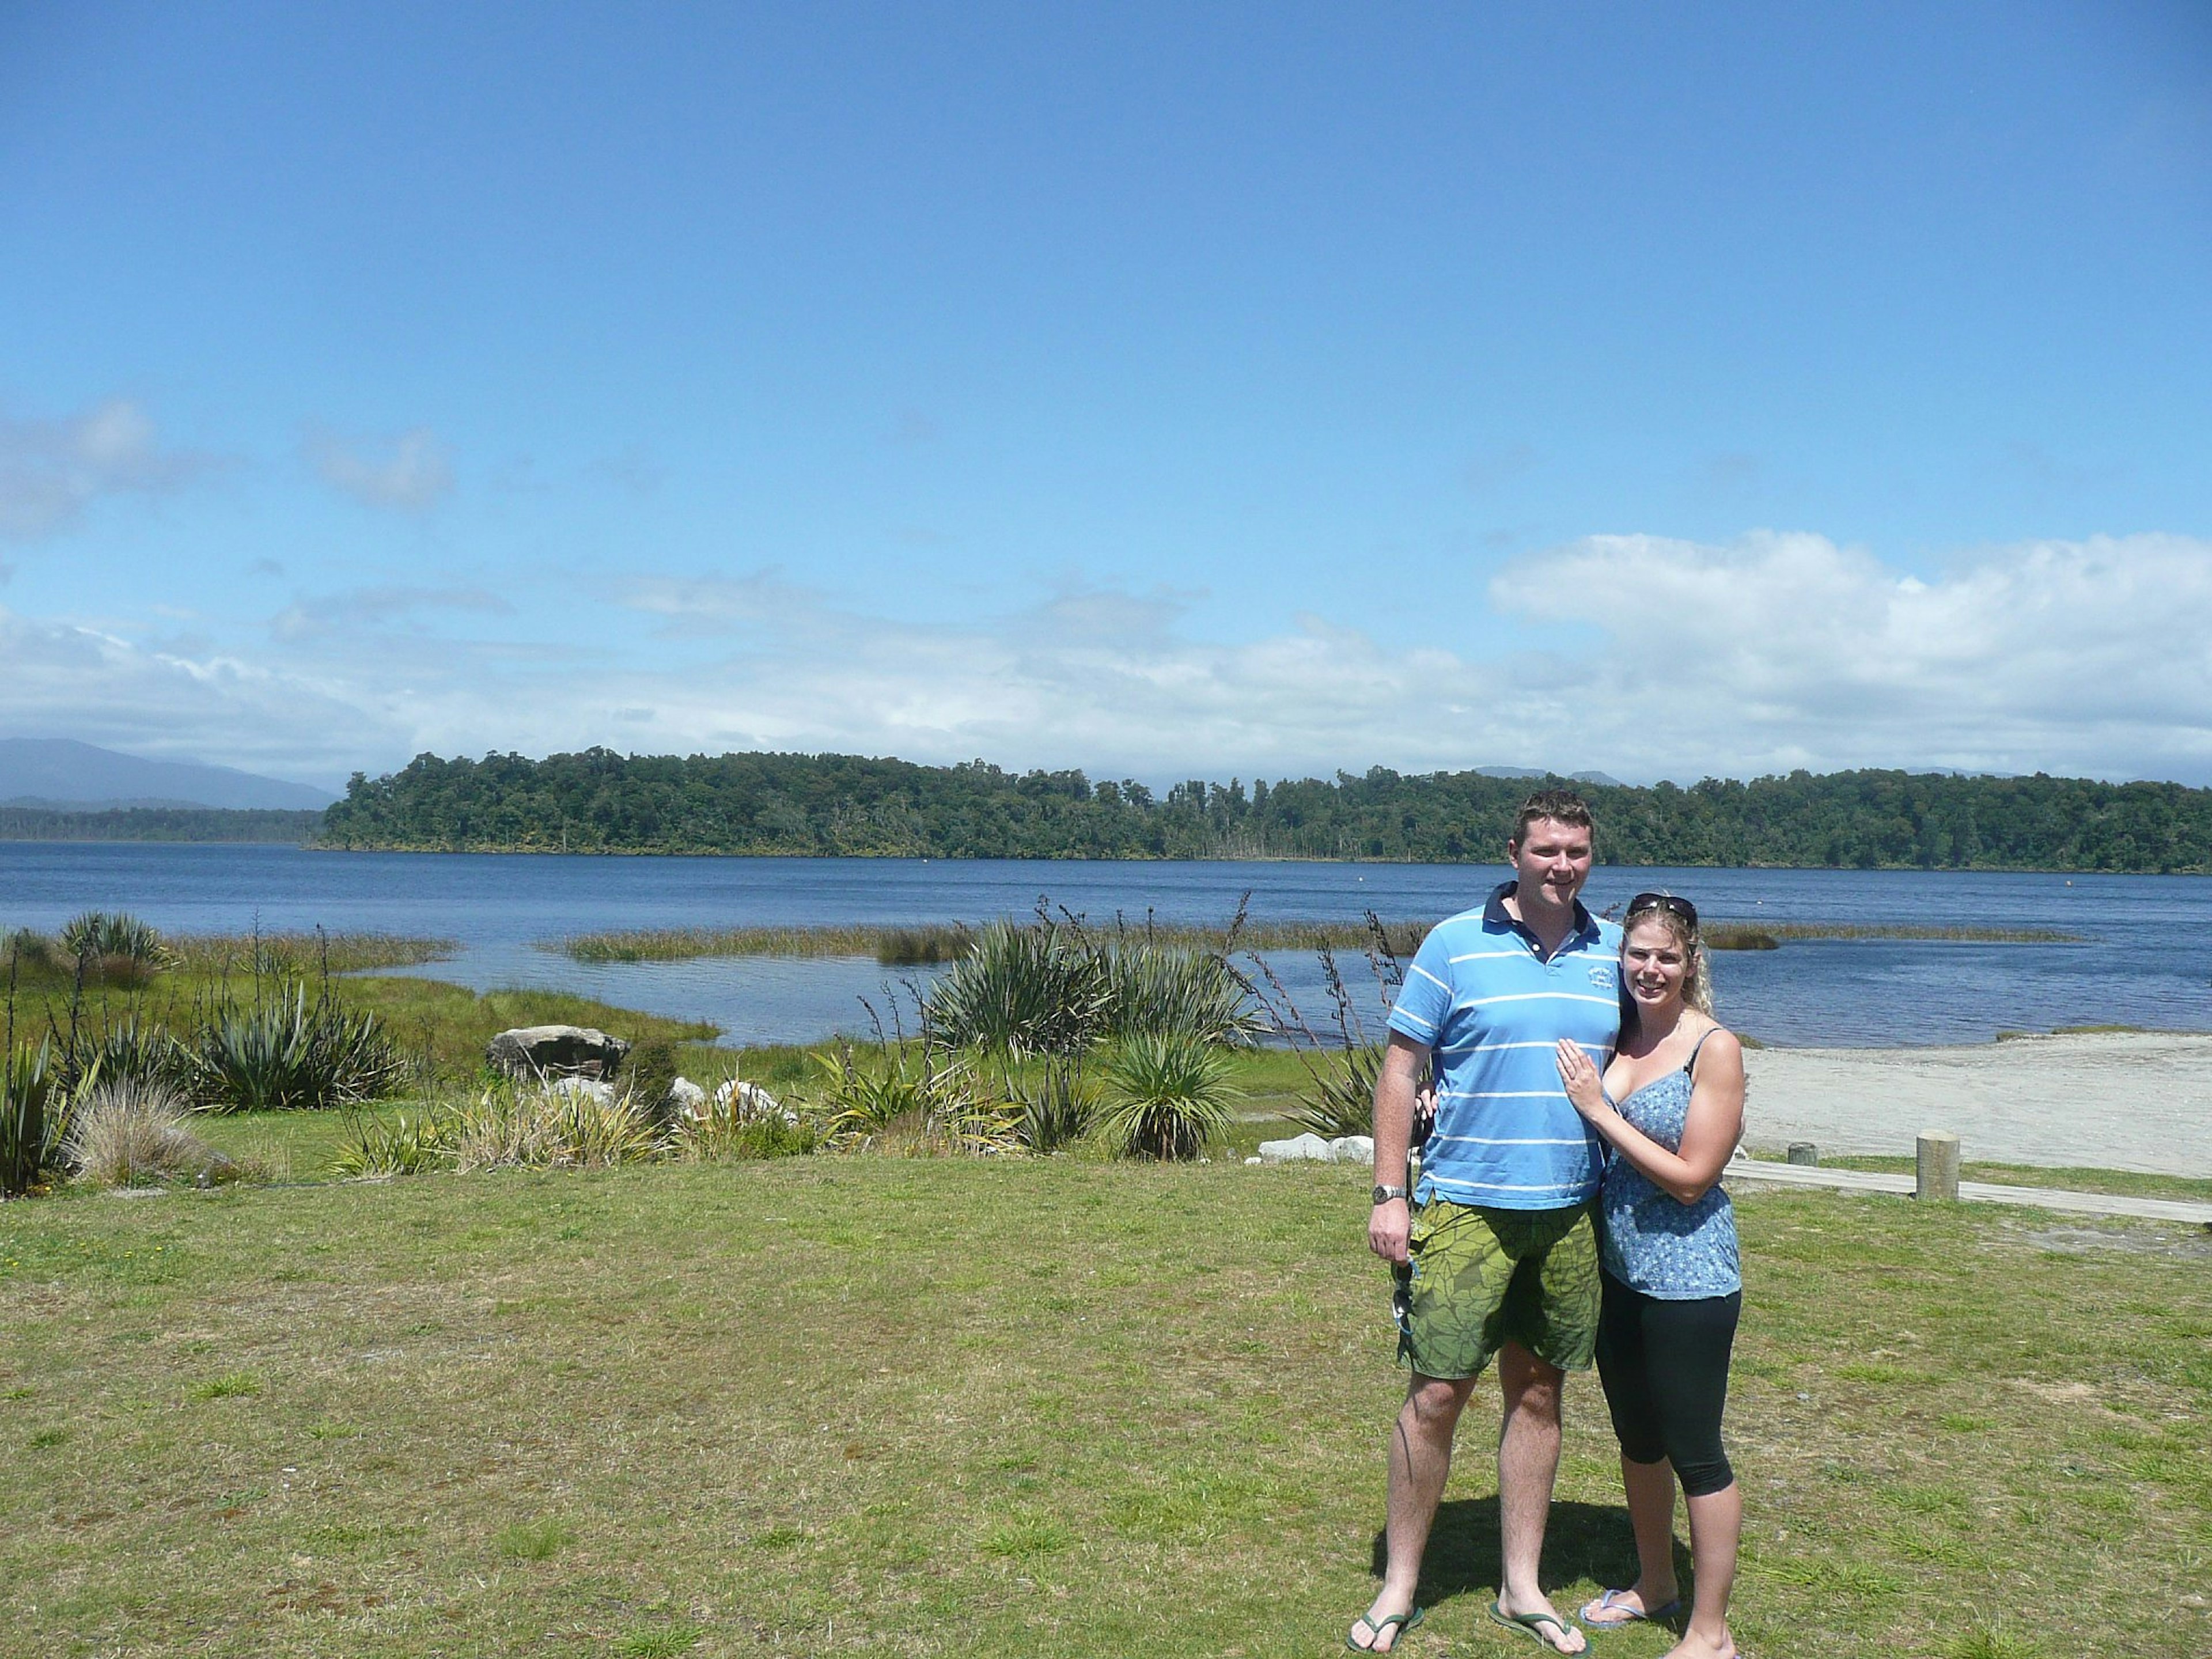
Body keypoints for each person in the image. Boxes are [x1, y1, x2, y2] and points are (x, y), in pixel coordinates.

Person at [1349, 790, 1621, 1656]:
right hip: (1465, 1204)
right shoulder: (1454, 943)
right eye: (1546, 850)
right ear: (1514, 852)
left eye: (1576, 851)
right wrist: (1391, 1190)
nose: (1561, 865)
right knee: (1436, 1395)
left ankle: (1521, 1586)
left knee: (1541, 1393)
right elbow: (1402, 1070)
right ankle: (1399, 1586)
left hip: (1572, 1212)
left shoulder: (1612, 951)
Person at [1554, 892, 1747, 1659]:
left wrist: (1601, 1113)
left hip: (1691, 1280)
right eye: (1638, 954)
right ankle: (1655, 1582)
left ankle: (1711, 1631)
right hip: (1619, 1273)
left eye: (1667, 957)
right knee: (1638, 1440)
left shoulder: (1715, 1048)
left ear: (1691, 963)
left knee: (1695, 1448)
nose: (1650, 969)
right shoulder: (1619, 1035)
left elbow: (1695, 1176)